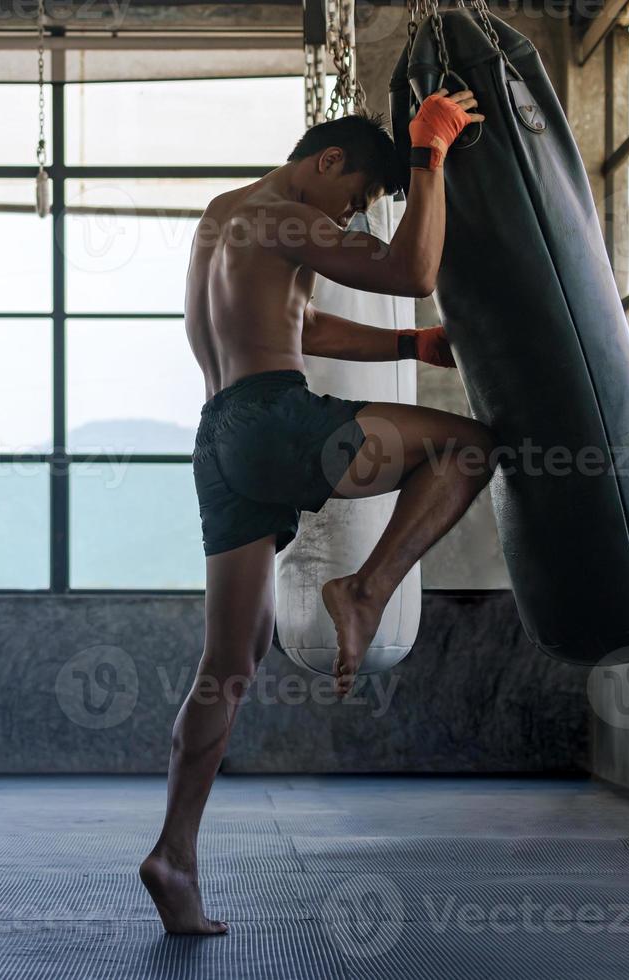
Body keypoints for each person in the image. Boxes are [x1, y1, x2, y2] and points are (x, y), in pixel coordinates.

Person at [140, 91, 494, 935]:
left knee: (230, 659)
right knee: (470, 448)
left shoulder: (227, 219)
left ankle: (173, 858)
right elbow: (410, 274)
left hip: (219, 438)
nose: (355, 219)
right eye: (357, 199)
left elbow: (305, 326)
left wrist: (409, 346)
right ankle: (365, 590)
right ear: (326, 162)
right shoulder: (291, 216)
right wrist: (429, 154)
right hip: (271, 418)